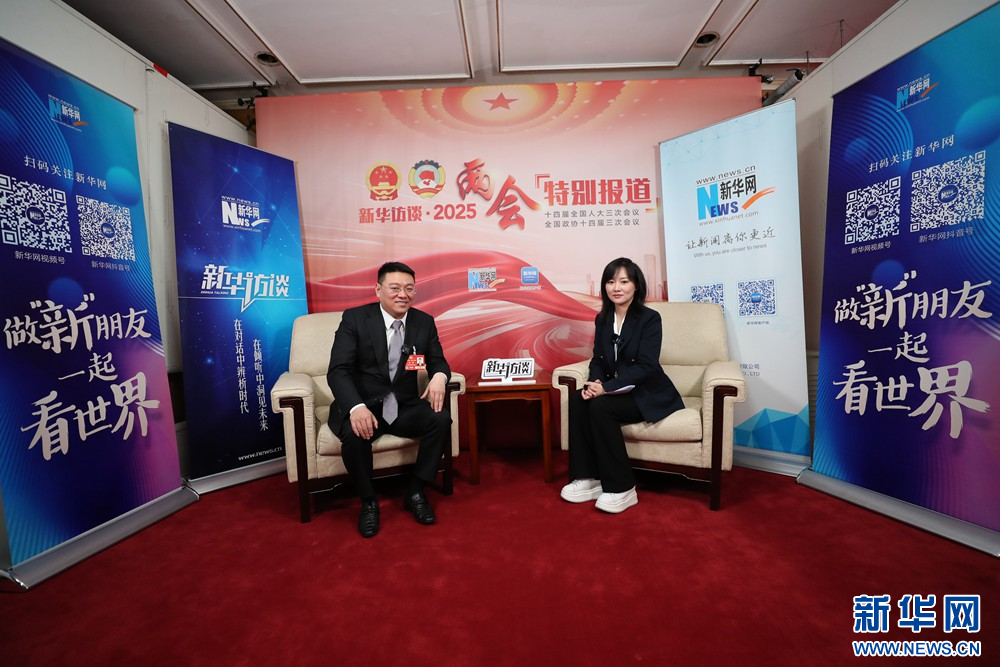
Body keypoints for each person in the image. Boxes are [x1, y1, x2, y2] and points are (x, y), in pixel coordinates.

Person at [327, 261, 452, 537]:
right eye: (395, 288)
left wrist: (440, 377)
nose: (402, 295)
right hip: (365, 406)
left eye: (409, 288)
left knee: (441, 419)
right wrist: (356, 407)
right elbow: (338, 371)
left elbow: (438, 362)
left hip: (403, 406)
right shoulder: (355, 319)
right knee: (354, 435)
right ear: (378, 290)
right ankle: (369, 502)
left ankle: (416, 491)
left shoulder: (424, 322)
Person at [560, 257, 684, 513]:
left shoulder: (650, 319)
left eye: (624, 281)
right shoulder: (603, 319)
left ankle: (622, 487)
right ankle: (589, 477)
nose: (616, 287)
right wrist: (595, 382)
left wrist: (606, 388)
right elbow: (598, 359)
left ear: (636, 286)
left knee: (601, 407)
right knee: (578, 398)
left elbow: (647, 366)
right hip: (615, 390)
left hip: (647, 393)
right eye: (611, 281)